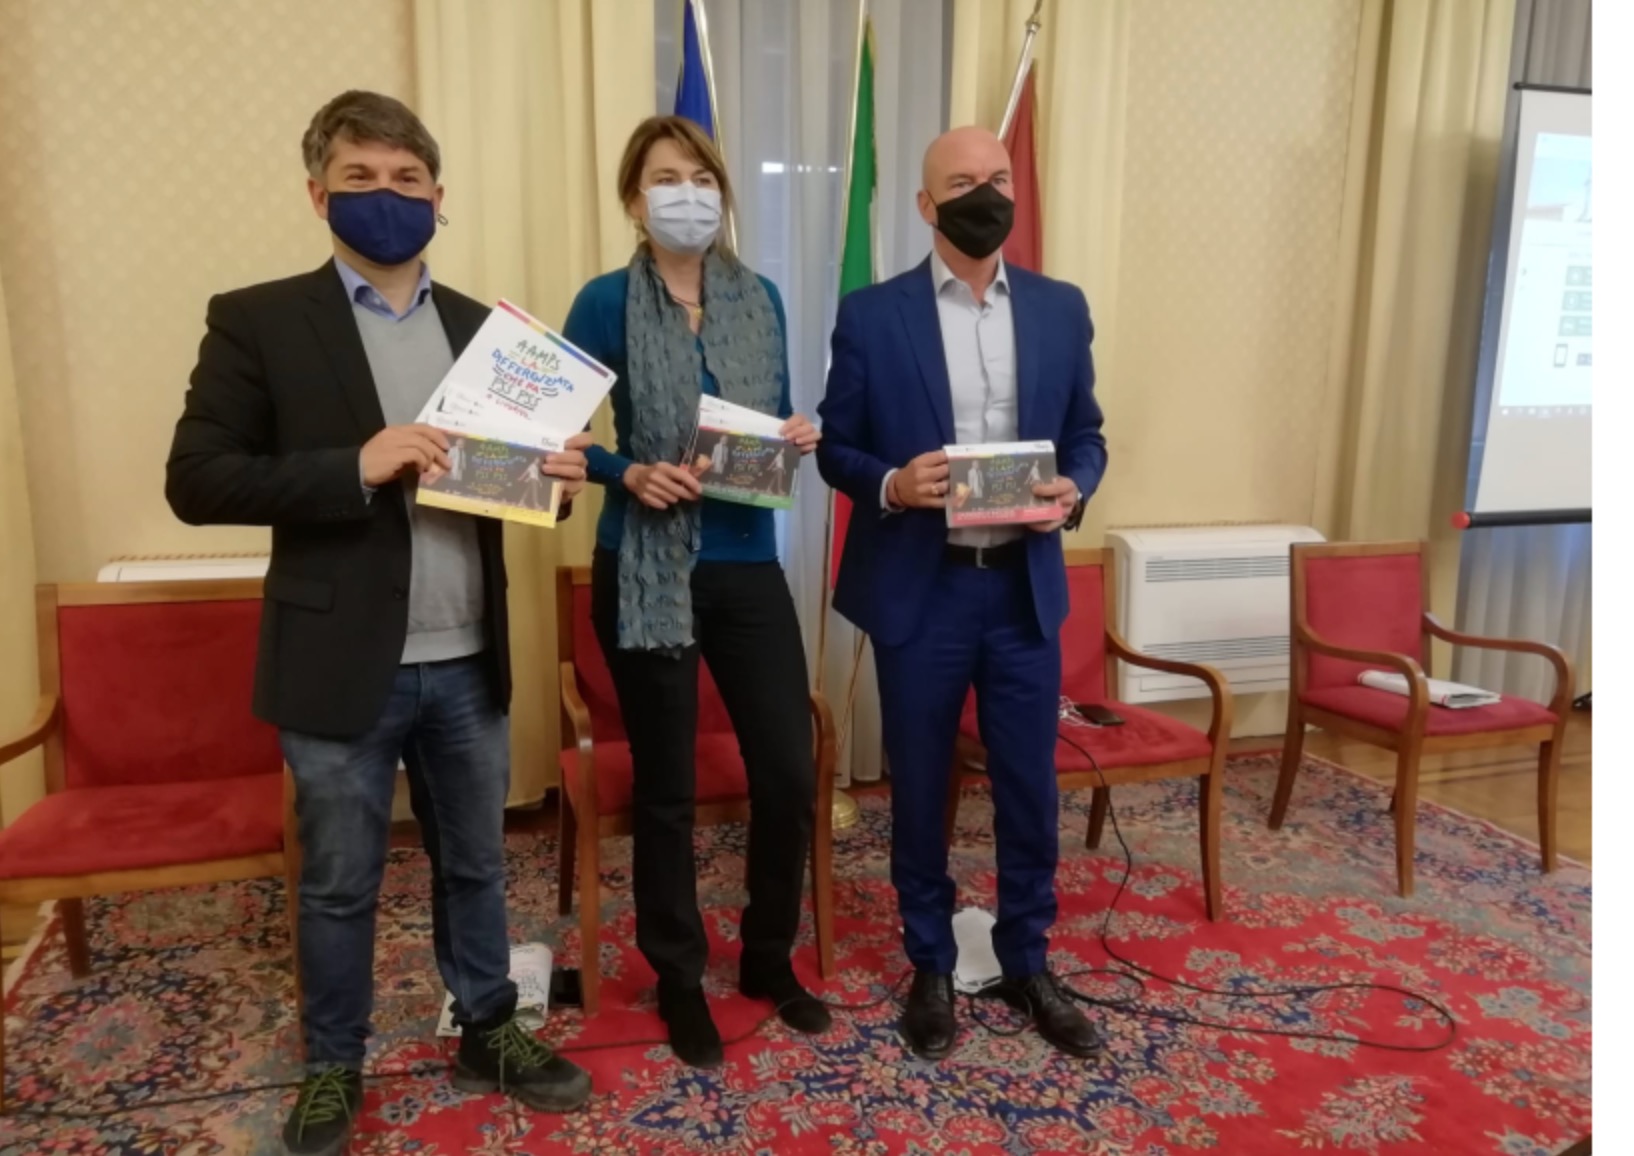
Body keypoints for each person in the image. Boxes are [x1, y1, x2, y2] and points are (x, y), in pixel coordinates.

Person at [165, 90, 594, 1156]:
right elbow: (197, 478)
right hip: (336, 659)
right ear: (318, 195)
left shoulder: (489, 334)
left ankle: (488, 1028)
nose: (386, 195)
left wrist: (556, 482)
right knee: (339, 882)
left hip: (468, 655)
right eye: (359, 177)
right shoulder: (258, 318)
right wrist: (353, 466)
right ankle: (332, 1065)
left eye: (407, 179)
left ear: (439, 198)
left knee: (476, 865)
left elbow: (514, 491)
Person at [817, 126, 1108, 1063]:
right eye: (962, 183)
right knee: (920, 783)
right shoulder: (873, 315)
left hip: (1021, 591)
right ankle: (930, 964)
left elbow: (1089, 434)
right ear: (925, 205)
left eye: (998, 179)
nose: (986, 195)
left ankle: (1029, 960)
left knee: (1029, 786)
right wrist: (892, 484)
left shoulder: (1061, 308)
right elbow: (834, 446)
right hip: (923, 590)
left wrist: (1076, 488)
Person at [562, 115, 827, 1069]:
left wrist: (794, 436)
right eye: (666, 178)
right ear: (635, 201)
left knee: (787, 773)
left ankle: (767, 956)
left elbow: (765, 423)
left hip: (748, 564)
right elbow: (558, 439)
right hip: (647, 566)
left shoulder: (761, 298)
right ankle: (678, 976)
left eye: (703, 176)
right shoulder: (603, 301)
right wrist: (624, 471)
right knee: (666, 785)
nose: (688, 193)